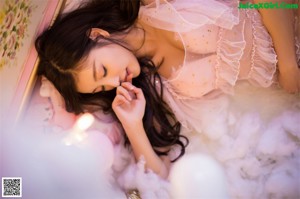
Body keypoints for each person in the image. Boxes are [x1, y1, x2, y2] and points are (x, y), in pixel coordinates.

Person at [35, 0, 299, 178]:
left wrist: (289, 66)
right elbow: (160, 174)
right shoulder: (155, 89)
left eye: (103, 71)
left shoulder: (158, 5)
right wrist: (133, 125)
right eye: (102, 86)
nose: (115, 83)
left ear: (98, 35)